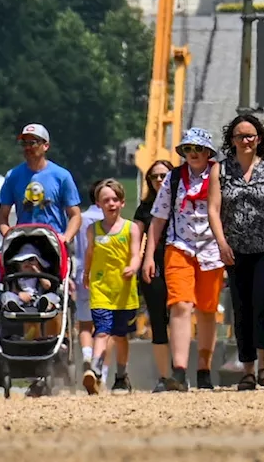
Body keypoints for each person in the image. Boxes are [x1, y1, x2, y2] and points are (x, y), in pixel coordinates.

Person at [209, 113, 264, 391]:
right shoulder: (220, 171)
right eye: (239, 136)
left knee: (263, 303)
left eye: (250, 136)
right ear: (232, 140)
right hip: (236, 249)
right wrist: (222, 243)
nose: (245, 141)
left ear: (258, 139)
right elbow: (213, 209)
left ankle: (263, 366)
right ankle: (246, 370)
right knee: (241, 307)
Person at [144, 127, 223, 392]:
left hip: (212, 250)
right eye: (188, 149)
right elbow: (158, 218)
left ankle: (203, 367)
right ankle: (178, 370)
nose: (193, 154)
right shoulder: (174, 178)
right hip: (180, 246)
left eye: (198, 149)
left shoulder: (220, 175)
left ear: (208, 152)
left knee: (208, 310)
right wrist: (148, 256)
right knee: (180, 305)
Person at [82, 179, 143, 395]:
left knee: (120, 336)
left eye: (115, 200)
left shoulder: (131, 228)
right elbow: (89, 253)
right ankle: (95, 369)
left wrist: (133, 268)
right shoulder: (92, 229)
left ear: (122, 202)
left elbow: (136, 254)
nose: (111, 204)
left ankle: (120, 376)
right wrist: (86, 273)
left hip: (125, 292)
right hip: (101, 289)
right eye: (106, 200)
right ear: (98, 204)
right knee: (101, 331)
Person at [0, 123, 82, 243]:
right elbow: (2, 216)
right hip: (24, 241)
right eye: (24, 143)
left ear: (45, 146)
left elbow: (75, 215)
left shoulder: (61, 176)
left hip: (53, 242)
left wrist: (66, 238)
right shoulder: (13, 176)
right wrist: (9, 235)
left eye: (32, 143)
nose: (27, 147)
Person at [134, 160, 173, 392]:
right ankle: (164, 375)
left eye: (164, 176)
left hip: (179, 262)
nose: (159, 180)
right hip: (154, 265)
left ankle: (181, 371)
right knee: (158, 321)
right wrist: (137, 264)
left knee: (181, 317)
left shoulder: (180, 203)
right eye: (154, 177)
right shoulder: (144, 209)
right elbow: (136, 240)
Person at [71, 187, 104, 387]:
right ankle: (101, 370)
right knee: (104, 326)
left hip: (83, 272)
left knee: (84, 323)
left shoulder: (80, 219)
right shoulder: (110, 219)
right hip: (105, 275)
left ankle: (86, 354)